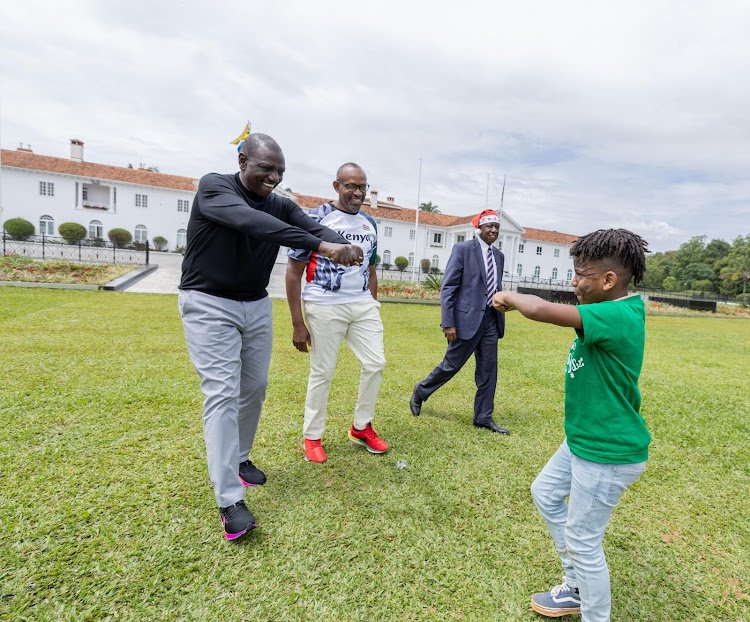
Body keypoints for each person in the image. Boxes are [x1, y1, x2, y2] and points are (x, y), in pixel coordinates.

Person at [178, 134, 362, 540]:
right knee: (222, 394)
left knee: (254, 387)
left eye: (280, 170)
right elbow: (253, 222)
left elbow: (306, 222)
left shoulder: (278, 201)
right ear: (243, 160)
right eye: (266, 168)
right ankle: (229, 501)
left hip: (255, 304)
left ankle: (240, 459)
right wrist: (322, 247)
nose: (274, 177)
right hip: (208, 302)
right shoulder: (215, 186)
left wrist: (343, 244)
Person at [491, 228, 650, 621]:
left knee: (584, 540)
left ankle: (593, 612)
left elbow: (542, 310)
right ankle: (576, 586)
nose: (575, 282)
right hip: (583, 440)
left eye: (582, 274)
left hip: (606, 450)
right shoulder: (611, 309)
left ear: (609, 280)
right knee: (545, 492)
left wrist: (509, 296)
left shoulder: (617, 313)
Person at [286, 163, 388, 464]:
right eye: (350, 186)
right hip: (323, 303)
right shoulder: (316, 218)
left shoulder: (370, 223)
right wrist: (297, 323)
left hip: (362, 304)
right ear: (336, 186)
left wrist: (372, 303)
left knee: (376, 362)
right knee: (323, 372)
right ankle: (312, 436)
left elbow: (371, 269)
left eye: (362, 187)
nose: (357, 192)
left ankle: (361, 428)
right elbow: (293, 272)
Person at [409, 209, 509, 434]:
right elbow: (449, 287)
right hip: (466, 321)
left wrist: (502, 302)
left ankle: (483, 416)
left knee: (488, 370)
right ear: (479, 228)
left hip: (491, 320)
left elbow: (494, 287)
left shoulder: (499, 256)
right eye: (489, 226)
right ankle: (420, 392)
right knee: (451, 365)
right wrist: (448, 323)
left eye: (496, 227)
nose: (493, 230)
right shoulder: (463, 250)